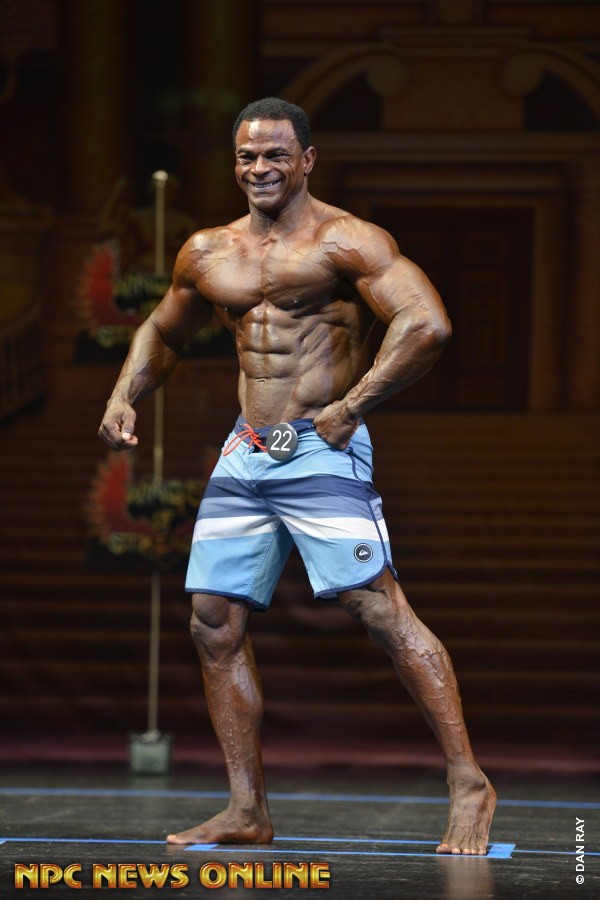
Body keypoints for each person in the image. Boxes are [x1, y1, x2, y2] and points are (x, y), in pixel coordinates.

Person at [99, 97, 496, 855]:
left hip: (320, 445)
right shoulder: (207, 251)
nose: (260, 168)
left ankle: (469, 782)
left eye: (276, 155)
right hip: (247, 448)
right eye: (247, 156)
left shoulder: (346, 240)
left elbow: (428, 323)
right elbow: (163, 328)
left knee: (376, 608)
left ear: (307, 160)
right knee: (212, 620)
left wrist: (352, 406)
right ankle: (246, 809)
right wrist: (124, 393)